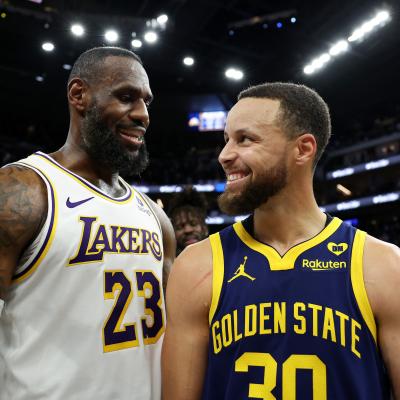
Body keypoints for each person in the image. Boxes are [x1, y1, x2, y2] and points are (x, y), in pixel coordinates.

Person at [162, 82, 400, 399]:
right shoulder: (197, 265)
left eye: (244, 139)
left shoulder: (382, 265)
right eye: (226, 140)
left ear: (303, 149)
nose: (224, 155)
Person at [0, 46, 175, 400]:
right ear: (79, 95)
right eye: (126, 97)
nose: (142, 114)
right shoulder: (23, 190)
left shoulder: (155, 217)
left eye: (146, 102)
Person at [168, 186, 209, 254]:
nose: (188, 230)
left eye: (193, 224)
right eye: (180, 227)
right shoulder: (168, 263)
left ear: (205, 228)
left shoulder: (221, 258)